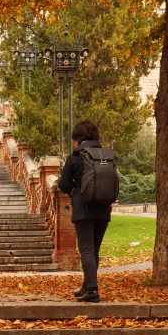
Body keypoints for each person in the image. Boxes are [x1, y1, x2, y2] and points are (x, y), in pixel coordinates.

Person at [58, 119, 111, 303]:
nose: (73, 143)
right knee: (94, 251)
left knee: (86, 250)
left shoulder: (75, 157)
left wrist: (73, 187)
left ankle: (93, 291)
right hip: (103, 209)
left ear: (79, 139)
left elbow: (63, 185)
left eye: (74, 139)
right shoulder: (106, 155)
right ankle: (87, 286)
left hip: (84, 209)